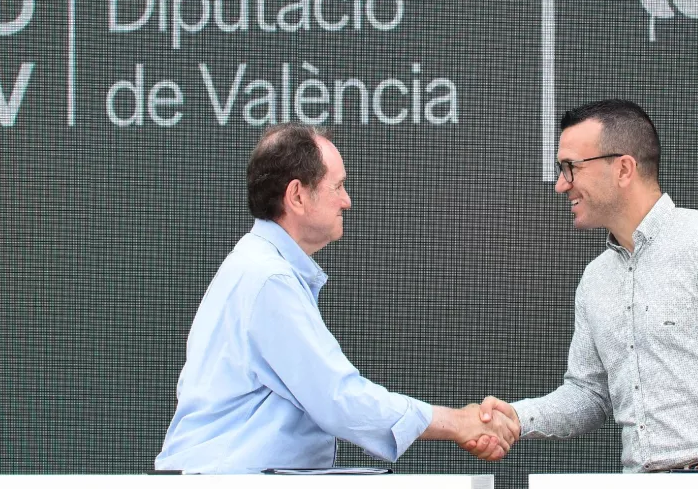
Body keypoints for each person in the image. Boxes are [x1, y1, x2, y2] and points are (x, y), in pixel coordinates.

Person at [470, 99, 698, 471]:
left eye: (571, 167)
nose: (560, 185)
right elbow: (589, 394)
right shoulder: (596, 279)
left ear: (623, 169)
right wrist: (517, 418)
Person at [156, 124, 517, 473]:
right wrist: (457, 422)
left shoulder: (258, 268)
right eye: (338, 186)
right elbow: (338, 398)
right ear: (297, 196)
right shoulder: (268, 278)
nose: (347, 201)